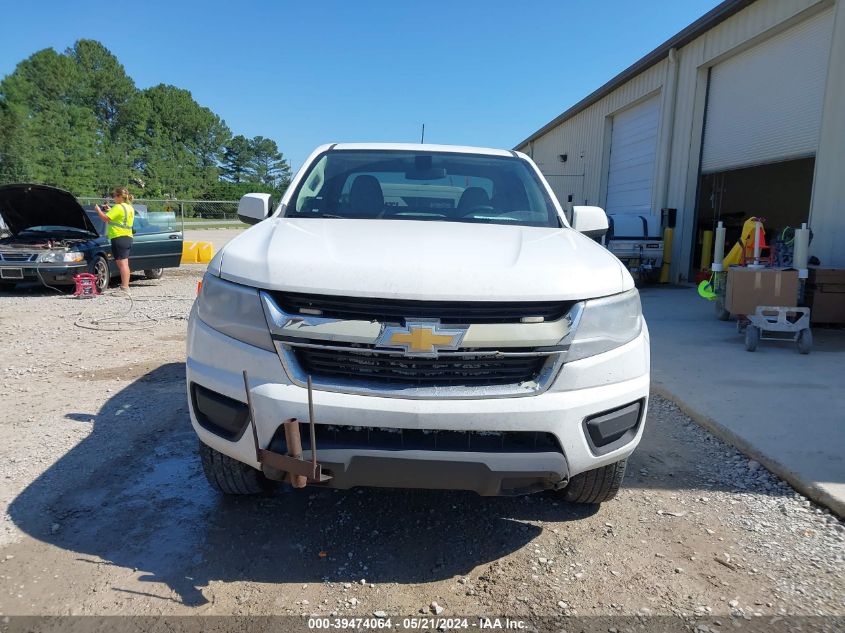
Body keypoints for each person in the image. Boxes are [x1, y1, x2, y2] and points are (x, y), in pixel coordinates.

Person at [94, 186, 135, 293]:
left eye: (114, 196)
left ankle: (125, 288)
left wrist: (98, 210)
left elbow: (105, 218)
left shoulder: (118, 207)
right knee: (124, 263)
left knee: (122, 264)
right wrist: (110, 210)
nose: (113, 198)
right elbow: (120, 218)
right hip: (127, 237)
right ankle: (125, 287)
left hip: (119, 237)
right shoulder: (129, 207)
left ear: (119, 196)